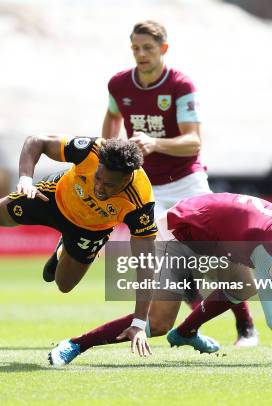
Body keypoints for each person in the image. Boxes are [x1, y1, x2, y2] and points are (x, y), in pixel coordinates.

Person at [101, 20, 256, 346]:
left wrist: (156, 143)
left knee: (218, 256)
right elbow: (112, 120)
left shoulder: (180, 86)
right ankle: (193, 322)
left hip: (188, 181)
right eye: (135, 48)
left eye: (148, 48)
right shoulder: (119, 85)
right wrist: (109, 158)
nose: (141, 54)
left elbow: (193, 142)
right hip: (147, 186)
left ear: (164, 49)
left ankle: (246, 326)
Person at [49, 193, 272, 366]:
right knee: (159, 324)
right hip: (178, 233)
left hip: (210, 238)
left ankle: (185, 333)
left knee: (244, 285)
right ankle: (77, 343)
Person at [0, 135, 157, 341]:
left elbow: (145, 264)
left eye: (109, 185)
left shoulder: (140, 203)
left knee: (64, 285)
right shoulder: (90, 150)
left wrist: (138, 322)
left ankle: (63, 247)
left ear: (127, 179)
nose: (99, 187)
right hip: (53, 197)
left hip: (91, 230)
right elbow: (37, 142)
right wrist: (26, 179)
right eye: (97, 178)